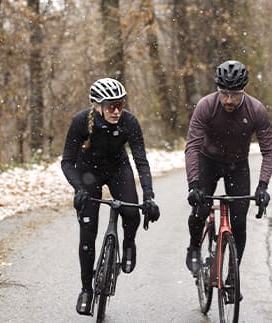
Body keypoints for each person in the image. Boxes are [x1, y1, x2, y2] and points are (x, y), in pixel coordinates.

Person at [61, 77, 160, 315]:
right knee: (88, 234)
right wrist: (79, 189)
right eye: (110, 106)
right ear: (97, 106)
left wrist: (149, 196)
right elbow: (67, 162)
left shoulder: (130, 122)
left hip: (118, 169)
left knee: (132, 213)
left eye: (120, 105)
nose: (116, 111)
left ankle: (128, 243)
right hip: (88, 174)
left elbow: (141, 161)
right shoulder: (81, 122)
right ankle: (86, 289)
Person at [184, 60, 272, 279]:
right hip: (208, 161)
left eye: (235, 94)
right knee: (200, 211)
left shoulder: (256, 110)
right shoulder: (206, 106)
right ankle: (194, 246)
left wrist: (263, 186)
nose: (229, 99)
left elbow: (269, 152)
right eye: (224, 93)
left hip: (238, 165)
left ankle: (233, 275)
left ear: (243, 90)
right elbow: (192, 147)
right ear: (218, 90)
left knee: (239, 222)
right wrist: (194, 184)